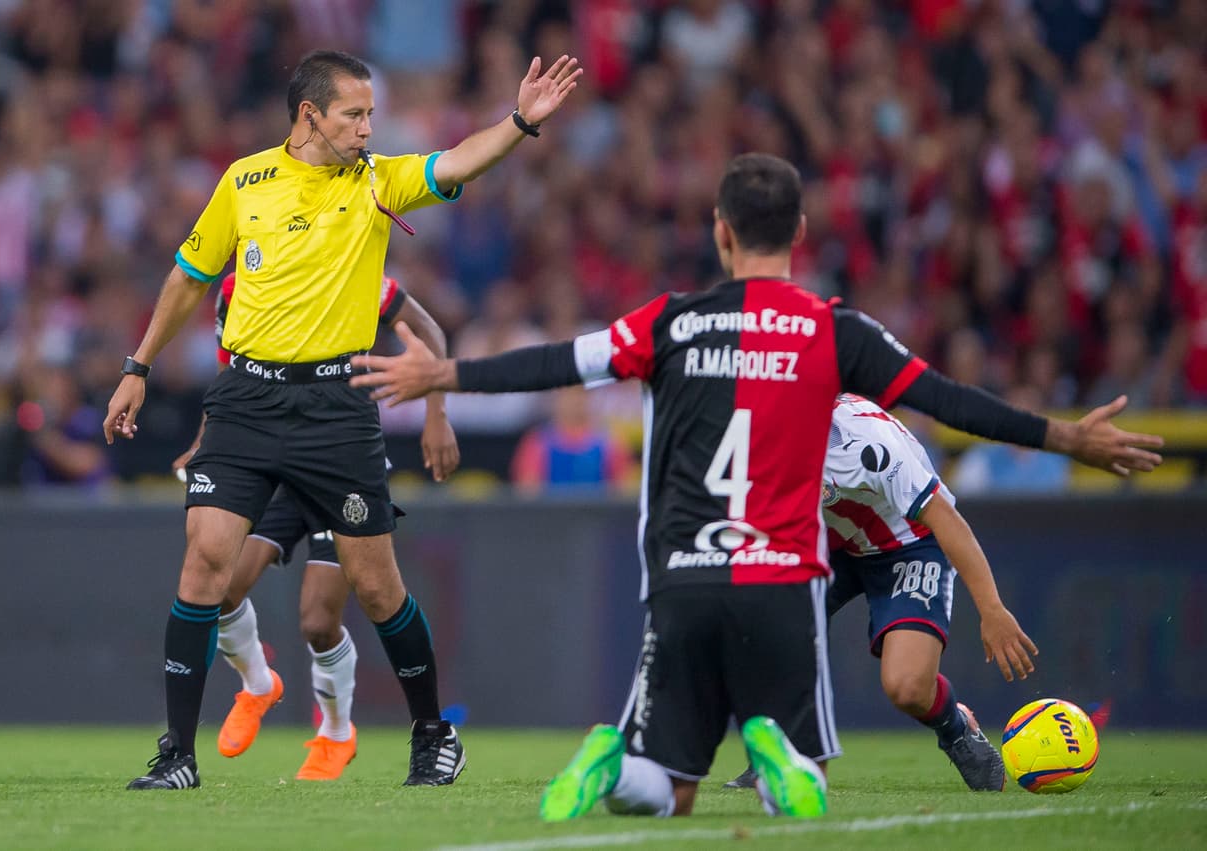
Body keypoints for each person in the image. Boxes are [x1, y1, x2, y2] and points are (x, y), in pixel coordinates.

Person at [350, 153, 1164, 820]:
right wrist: (1065, 435)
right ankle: (780, 752)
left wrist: (446, 370)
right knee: (772, 721)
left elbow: (566, 359)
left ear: (719, 231)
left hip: (876, 545)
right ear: (801, 232)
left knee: (899, 687)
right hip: (799, 558)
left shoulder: (679, 322)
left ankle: (913, 730)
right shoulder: (832, 329)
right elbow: (949, 398)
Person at [103, 48, 581, 790]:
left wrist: (519, 121)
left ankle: (432, 732)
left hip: (336, 405)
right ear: (310, 115)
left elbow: (455, 163)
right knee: (204, 560)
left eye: (371, 115)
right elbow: (188, 278)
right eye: (354, 114)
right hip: (247, 398)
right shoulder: (244, 180)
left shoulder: (377, 181)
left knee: (377, 587)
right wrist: (137, 367)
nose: (367, 128)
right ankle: (177, 755)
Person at [169, 273, 458, 782]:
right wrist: (205, 439)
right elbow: (229, 371)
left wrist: (437, 411)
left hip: (335, 451)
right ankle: (258, 683)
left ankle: (337, 732)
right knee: (223, 584)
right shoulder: (239, 287)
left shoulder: (349, 261)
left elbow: (429, 330)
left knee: (320, 619)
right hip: (266, 450)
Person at [723, 393, 1037, 794]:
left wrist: (992, 609)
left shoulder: (868, 443)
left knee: (907, 687)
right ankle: (778, 754)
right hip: (829, 543)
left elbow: (947, 519)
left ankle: (956, 728)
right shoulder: (749, 434)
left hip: (907, 543)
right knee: (759, 624)